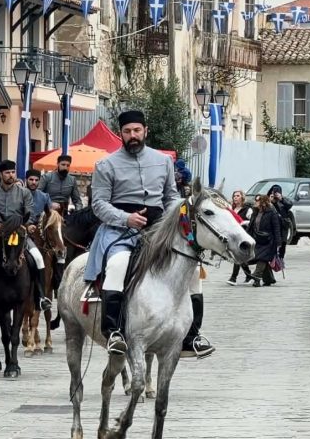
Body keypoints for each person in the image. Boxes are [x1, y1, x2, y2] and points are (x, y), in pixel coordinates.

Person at [83, 110, 213, 358]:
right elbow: (98, 204)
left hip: (158, 229)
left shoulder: (163, 161)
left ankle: (191, 336)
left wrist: (177, 214)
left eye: (137, 130)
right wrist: (126, 218)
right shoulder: (105, 164)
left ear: (145, 131)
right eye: (127, 131)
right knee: (118, 264)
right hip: (119, 230)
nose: (132, 135)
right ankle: (114, 332)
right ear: (120, 133)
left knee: (194, 270)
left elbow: (171, 197)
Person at [0, 160, 51, 312]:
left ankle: (41, 297)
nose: (11, 175)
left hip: (19, 234)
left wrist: (27, 224)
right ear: (0, 174)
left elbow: (30, 214)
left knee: (38, 258)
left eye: (13, 172)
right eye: (7, 173)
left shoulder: (24, 193)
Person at [249, 194, 281, 287]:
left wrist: (278, 242)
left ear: (263, 202)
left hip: (269, 240)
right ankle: (269, 279)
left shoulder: (271, 212)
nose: (255, 202)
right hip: (257, 239)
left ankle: (256, 276)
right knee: (262, 258)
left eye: (258, 200)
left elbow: (276, 228)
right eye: (255, 200)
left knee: (262, 258)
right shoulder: (255, 212)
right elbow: (251, 226)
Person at [226, 190, 254, 285]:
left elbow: (253, 221)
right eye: (234, 196)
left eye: (238, 196)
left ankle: (233, 278)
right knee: (238, 256)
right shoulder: (231, 209)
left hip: (243, 235)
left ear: (242, 197)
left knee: (237, 255)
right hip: (233, 235)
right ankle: (249, 275)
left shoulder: (247, 209)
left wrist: (245, 222)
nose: (235, 197)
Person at [267, 184, 294, 259]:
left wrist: (281, 199)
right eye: (274, 191)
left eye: (277, 191)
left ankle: (280, 259)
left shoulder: (283, 199)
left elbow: (290, 204)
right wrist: (270, 201)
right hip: (272, 226)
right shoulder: (268, 199)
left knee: (282, 244)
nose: (275, 193)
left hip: (283, 226)